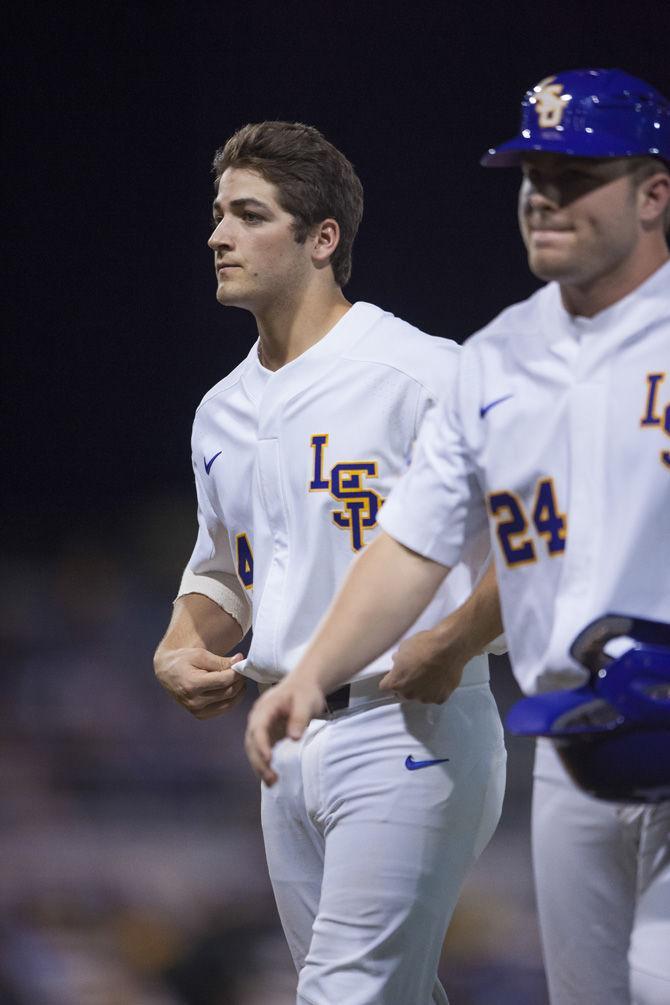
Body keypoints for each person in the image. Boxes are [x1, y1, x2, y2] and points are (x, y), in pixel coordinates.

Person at [245, 70, 670, 1005]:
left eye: (577, 174)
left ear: (652, 194)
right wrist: (315, 673)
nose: (545, 196)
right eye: (532, 174)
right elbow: (410, 547)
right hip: (576, 741)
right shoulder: (497, 361)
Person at [154, 120, 507, 1005]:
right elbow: (223, 570)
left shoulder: (419, 373)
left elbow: (541, 538)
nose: (218, 235)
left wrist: (458, 642)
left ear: (322, 238)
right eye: (217, 213)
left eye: (248, 214)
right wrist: (174, 644)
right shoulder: (221, 409)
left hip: (408, 726)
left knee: (341, 996)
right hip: (285, 738)